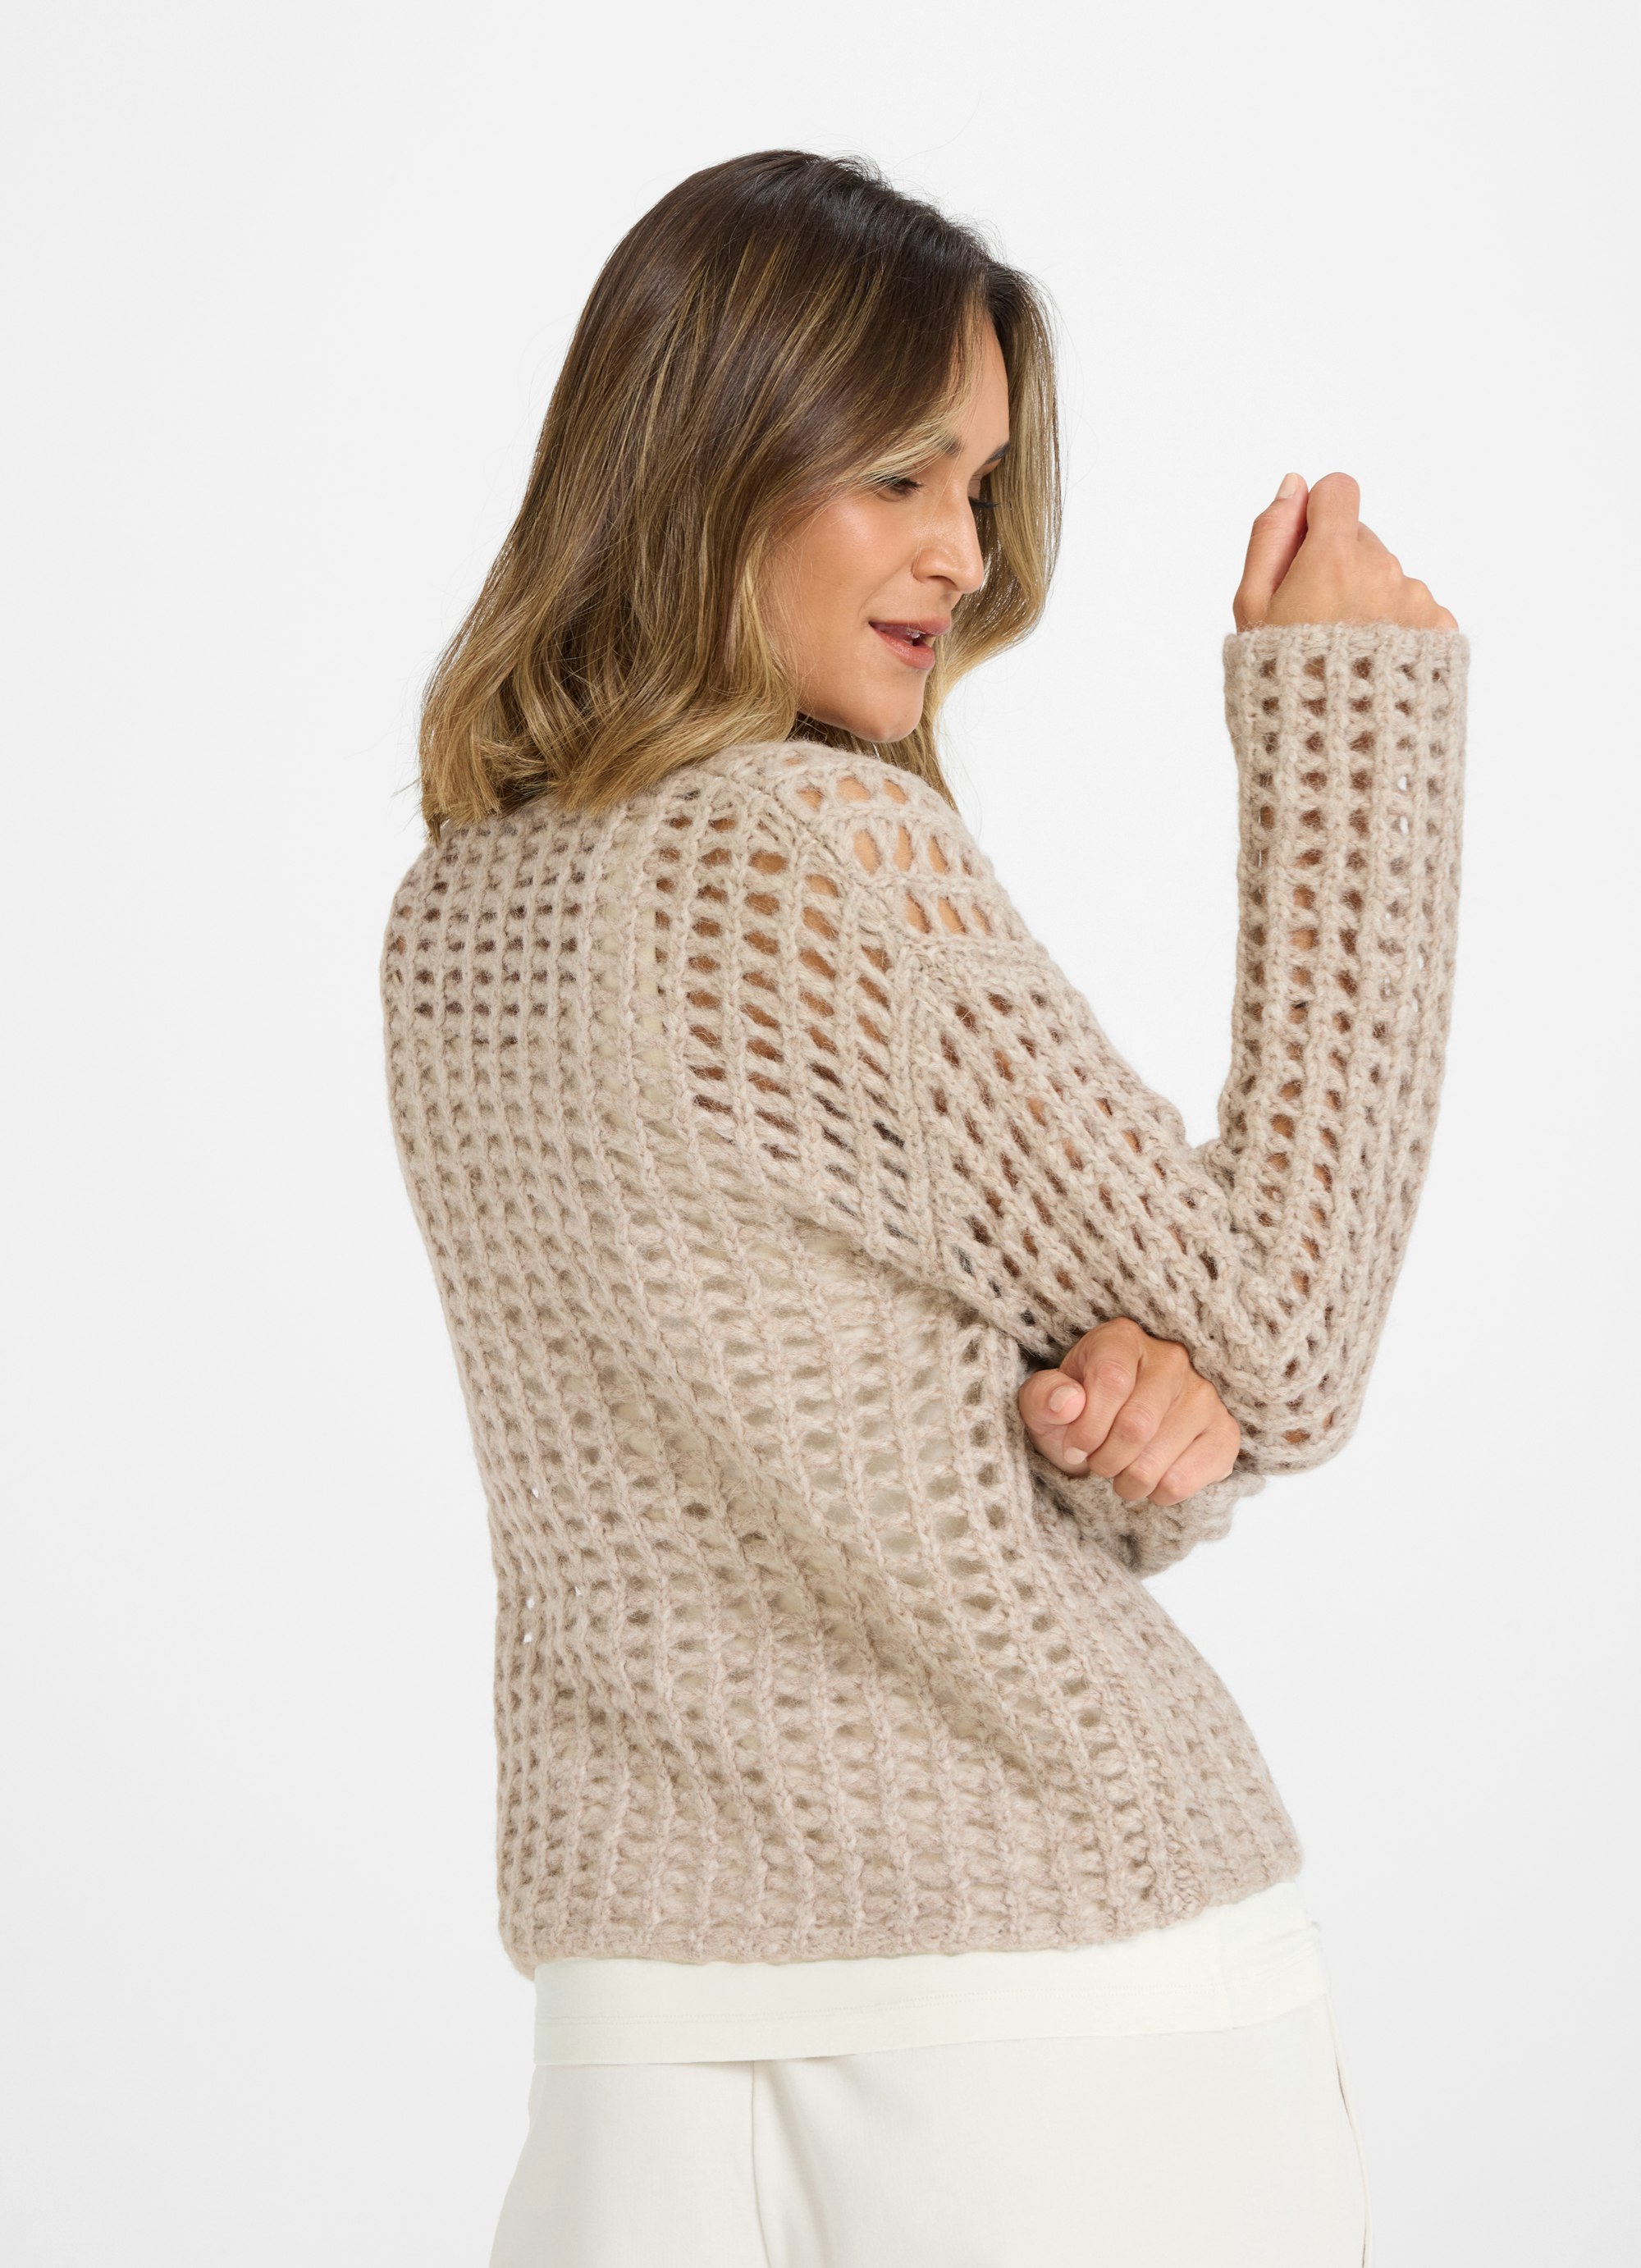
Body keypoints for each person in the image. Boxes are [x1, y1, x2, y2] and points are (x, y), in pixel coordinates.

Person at [379, 148, 1465, 2267]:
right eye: (899, 475)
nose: (963, 552)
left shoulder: (453, 912)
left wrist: (1118, 1425)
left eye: (977, 483)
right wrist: (1356, 726)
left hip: (643, 2022)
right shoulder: (810, 849)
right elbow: (1291, 1338)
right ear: (713, 455)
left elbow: (814, 1448)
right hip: (1060, 1998)